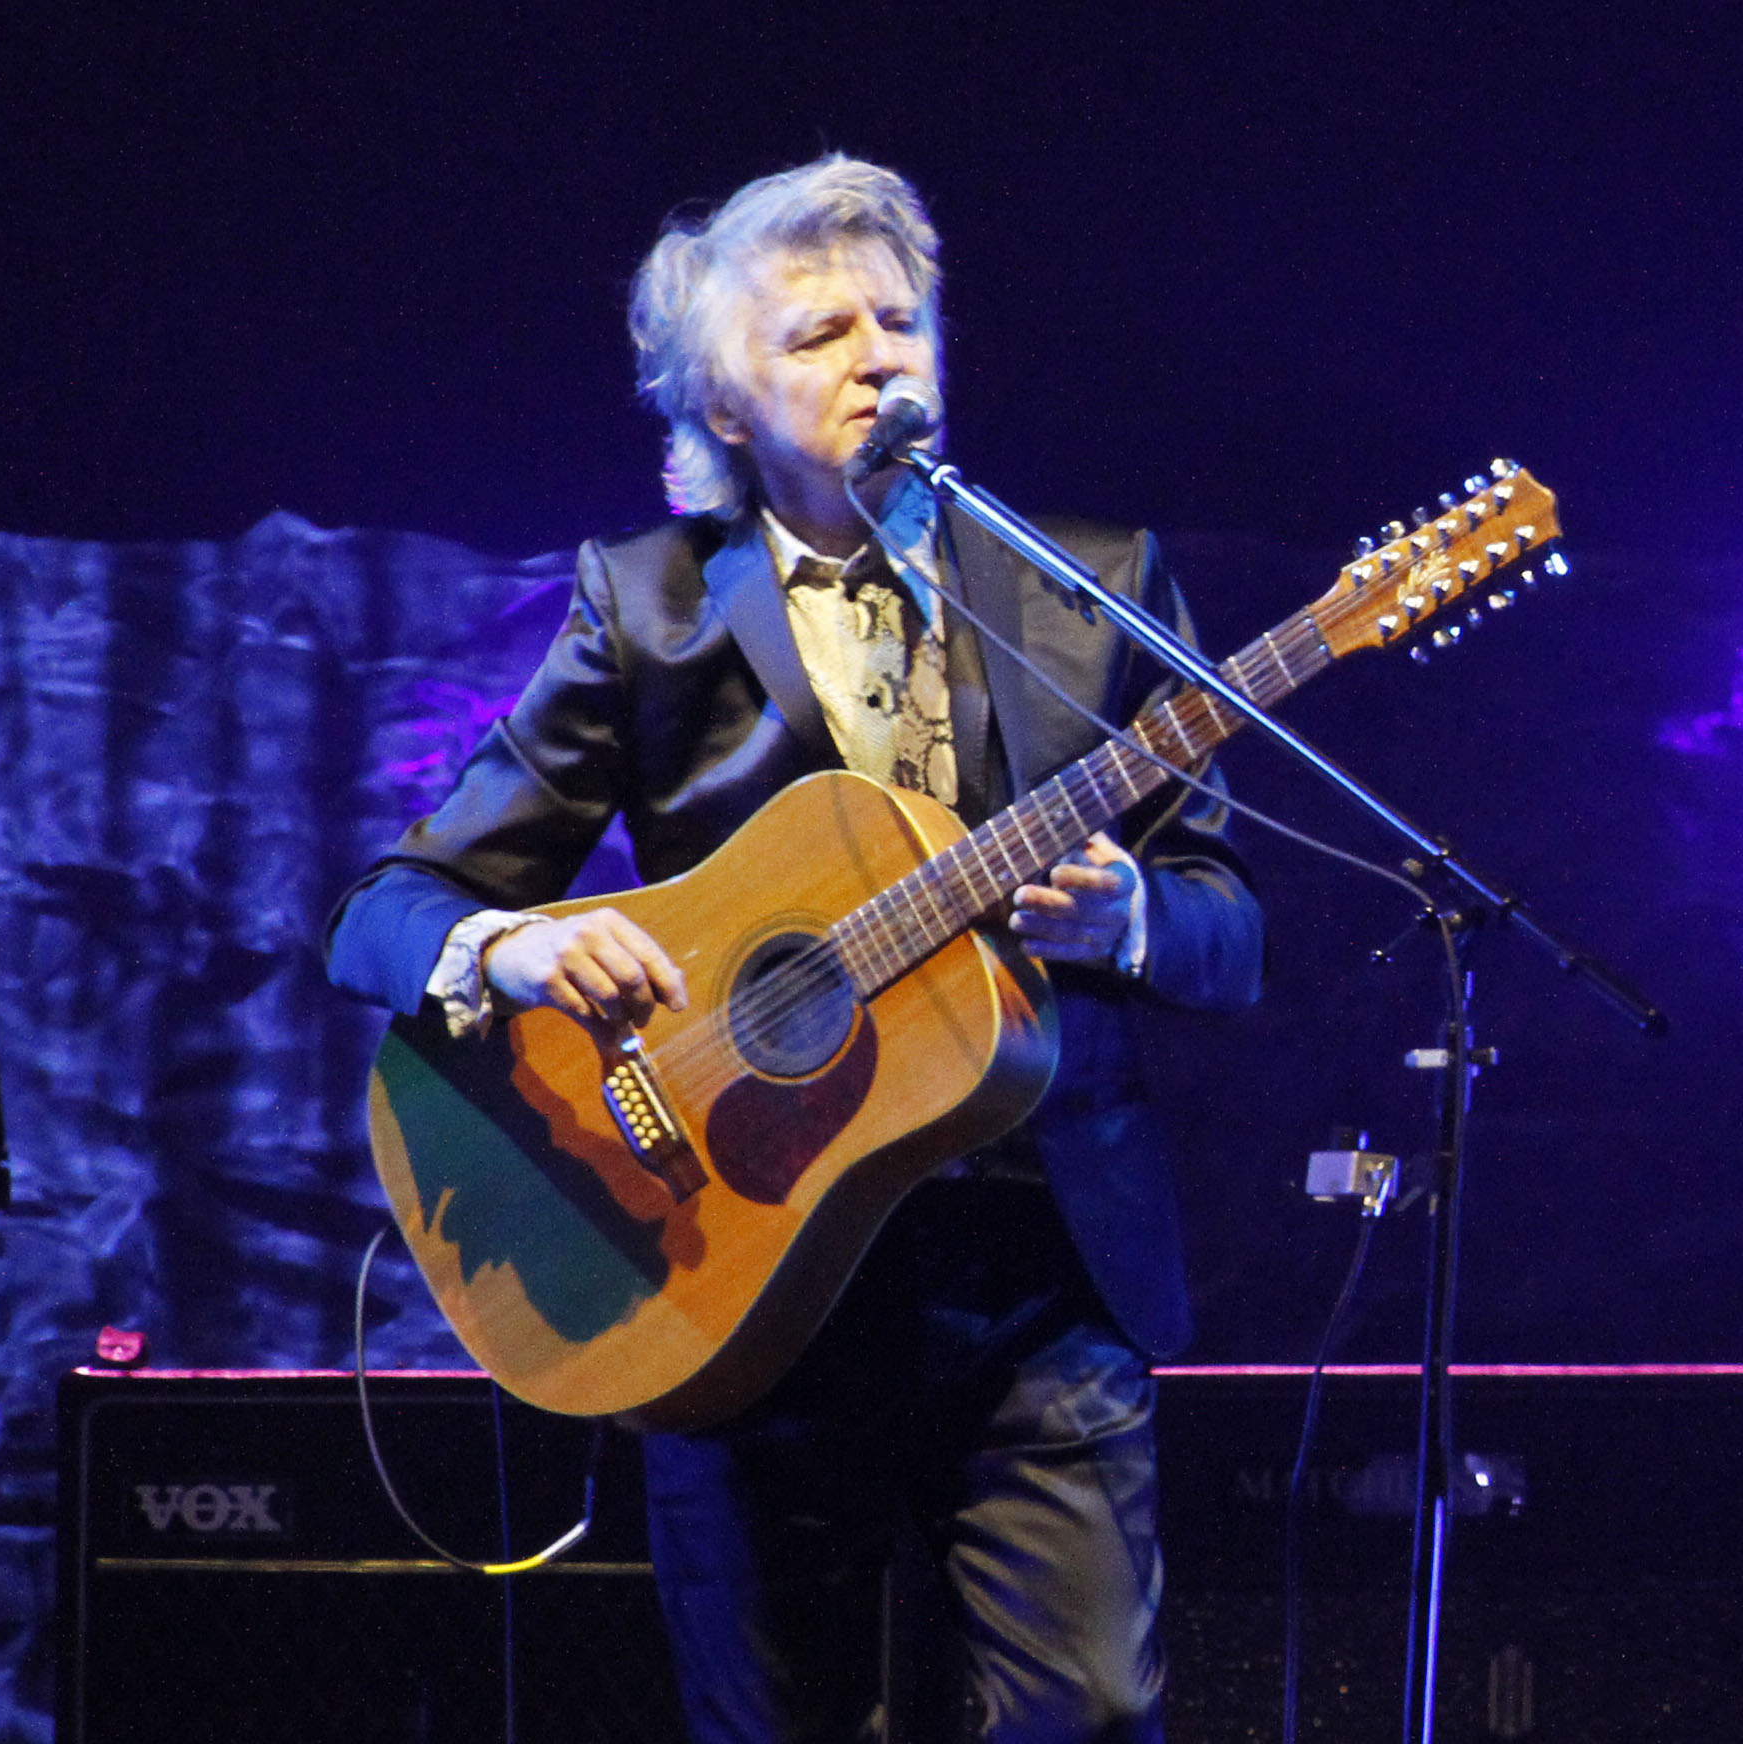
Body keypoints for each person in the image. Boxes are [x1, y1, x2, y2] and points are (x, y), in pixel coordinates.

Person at [324, 154, 1262, 1744]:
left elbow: (1228, 930)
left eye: (902, 322)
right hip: (732, 1266)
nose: (881, 356)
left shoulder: (1094, 590)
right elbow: (386, 912)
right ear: (729, 406)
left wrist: (1141, 917)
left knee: (1095, 1717)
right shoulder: (650, 609)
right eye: (823, 333)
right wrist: (520, 953)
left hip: (1040, 1270)